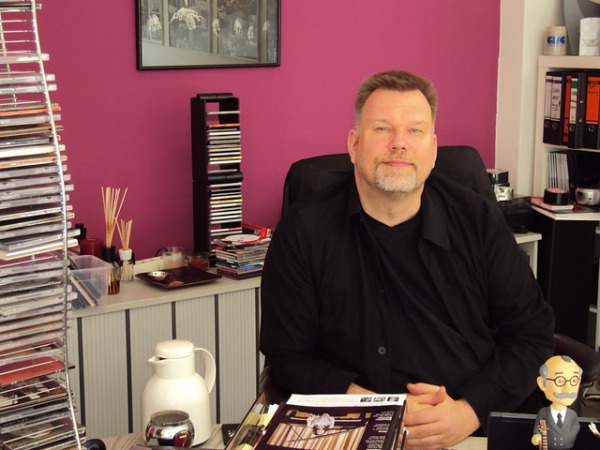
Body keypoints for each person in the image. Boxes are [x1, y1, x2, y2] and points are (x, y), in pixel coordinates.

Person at [260, 70, 555, 449]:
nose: (399, 144)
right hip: (351, 426)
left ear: (432, 149)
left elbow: (531, 333)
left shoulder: (477, 219)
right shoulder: (304, 229)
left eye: (414, 131)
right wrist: (376, 409)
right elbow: (287, 357)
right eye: (382, 129)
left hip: (468, 427)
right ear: (353, 145)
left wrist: (467, 412)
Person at [531, 356, 582, 450]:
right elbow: (537, 427)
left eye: (574, 380)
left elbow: (576, 427)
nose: (568, 389)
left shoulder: (572, 415)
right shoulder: (543, 413)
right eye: (559, 381)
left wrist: (570, 437)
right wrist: (537, 436)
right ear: (542, 383)